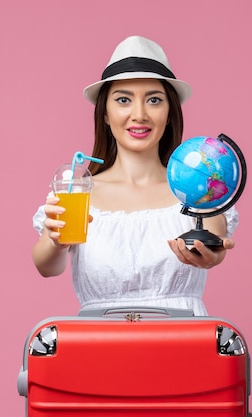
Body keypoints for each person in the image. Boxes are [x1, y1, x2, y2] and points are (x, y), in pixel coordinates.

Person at [31, 35, 238, 316]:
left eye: (154, 100)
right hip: (99, 345)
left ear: (169, 113)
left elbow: (214, 241)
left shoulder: (197, 186)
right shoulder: (77, 189)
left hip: (181, 345)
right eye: (123, 100)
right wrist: (55, 242)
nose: (139, 114)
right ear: (105, 113)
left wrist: (211, 254)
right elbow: (47, 267)